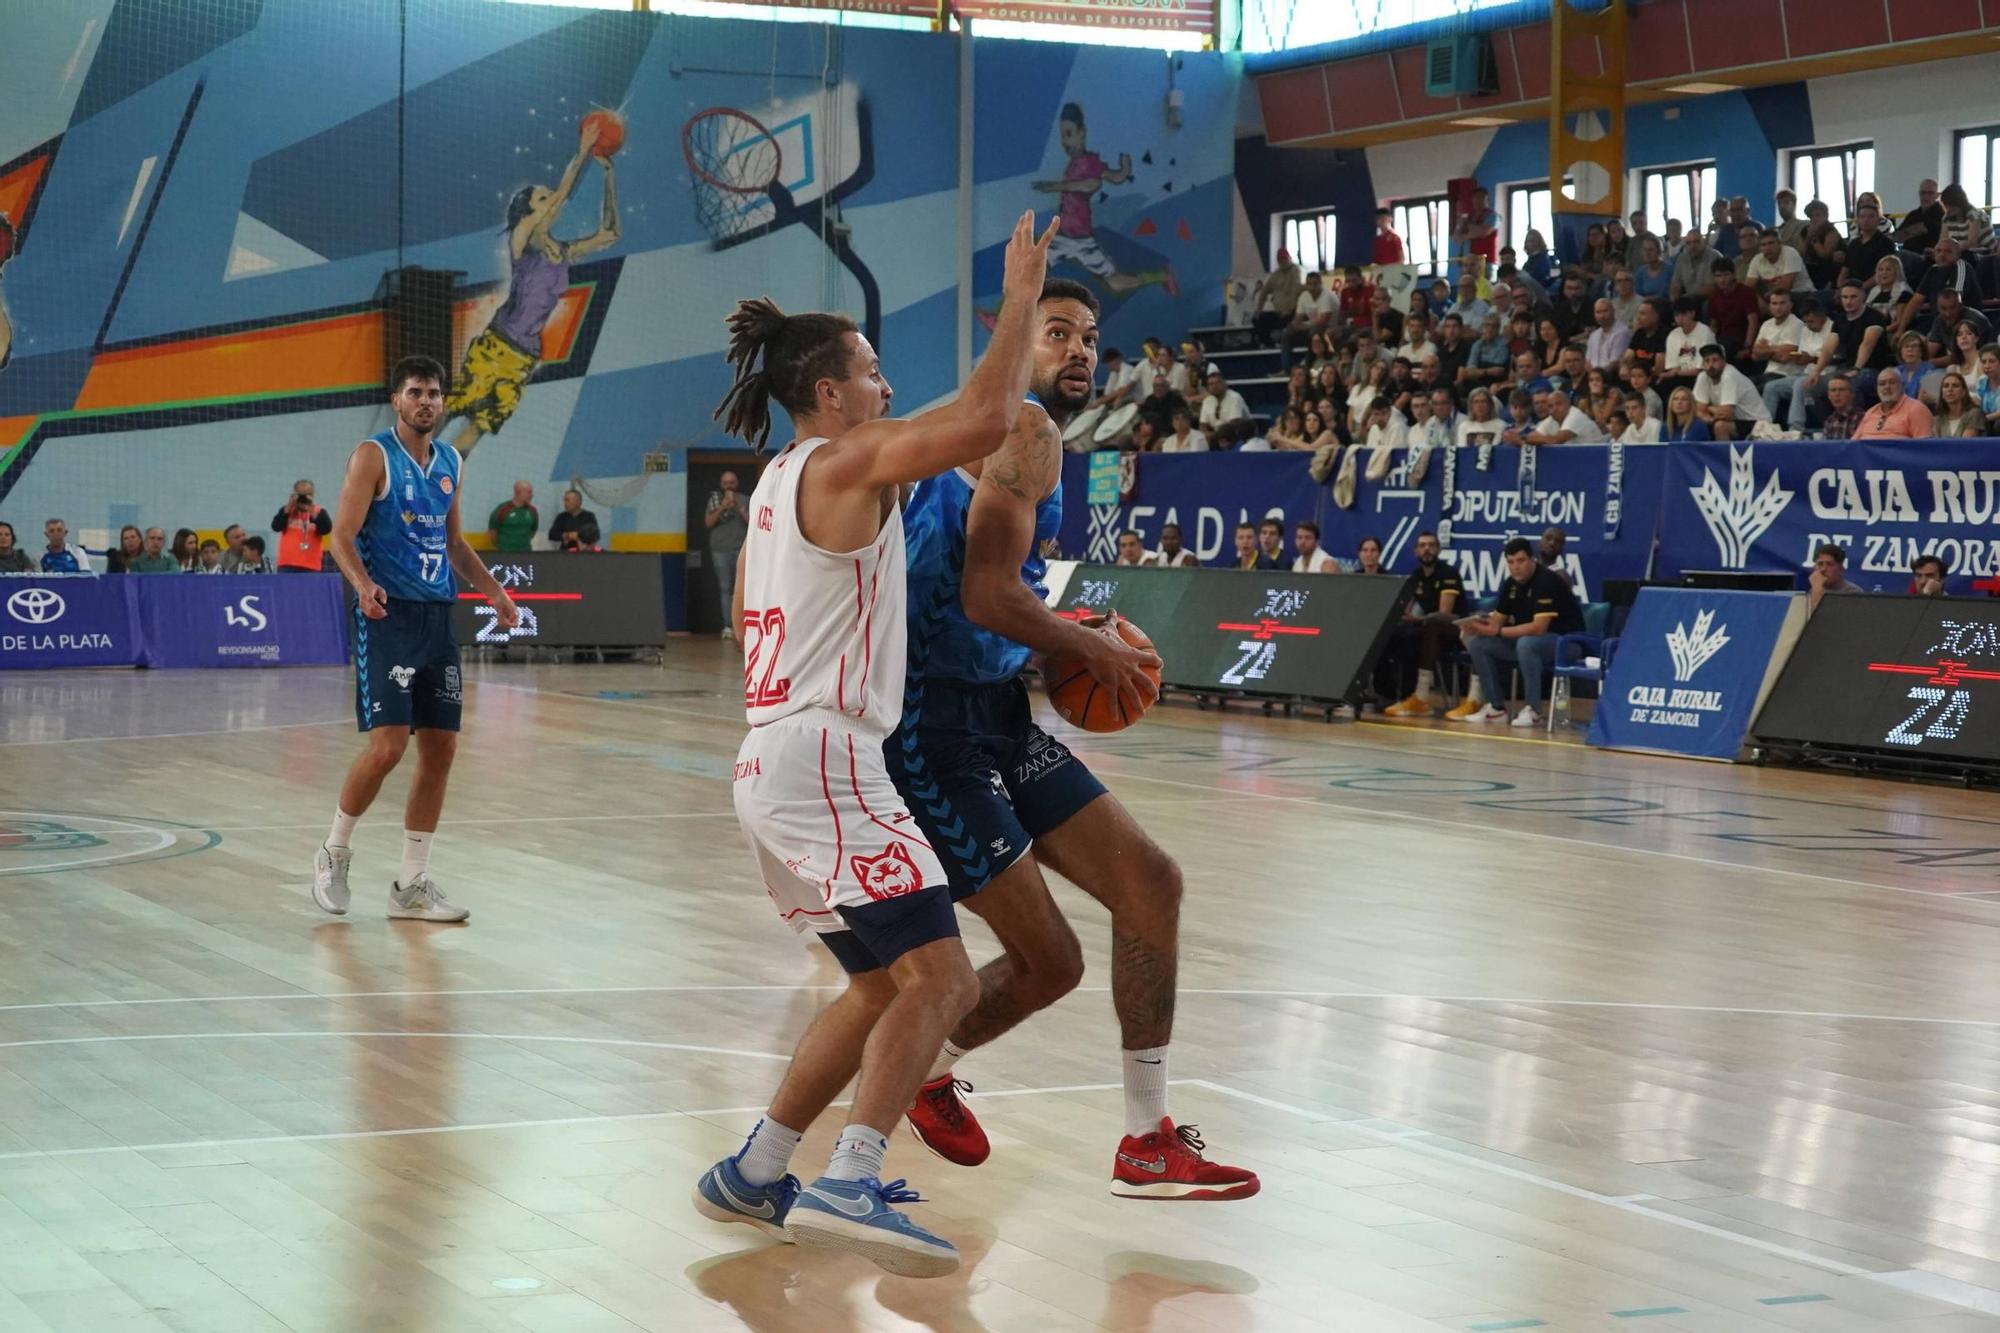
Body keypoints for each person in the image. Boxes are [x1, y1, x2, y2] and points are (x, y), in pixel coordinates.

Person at [692, 213, 1057, 1278]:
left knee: (872, 985)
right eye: (872, 370)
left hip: (771, 760)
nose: (887, 387)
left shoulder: (775, 481)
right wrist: (1019, 299)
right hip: (826, 757)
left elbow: (956, 423)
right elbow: (988, 415)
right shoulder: (843, 462)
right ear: (829, 394)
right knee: (940, 981)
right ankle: (852, 1177)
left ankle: (756, 1170)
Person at [886, 259, 1258, 1205]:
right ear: (1014, 335)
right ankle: (877, 1094)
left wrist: (1060, 638)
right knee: (1051, 961)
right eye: (1059, 332)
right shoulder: (1014, 427)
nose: (1081, 350)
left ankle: (1147, 1138)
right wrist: (1088, 650)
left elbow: (998, 596)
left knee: (1152, 882)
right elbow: (985, 591)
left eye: (1090, 337)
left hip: (1001, 712)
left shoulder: (1005, 426)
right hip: (929, 727)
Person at [313, 354, 518, 925]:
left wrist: (496, 595)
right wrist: (364, 585)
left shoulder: (451, 459)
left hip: (436, 620)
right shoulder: (373, 455)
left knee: (442, 749)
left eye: (433, 393)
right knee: (388, 748)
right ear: (396, 399)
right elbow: (340, 538)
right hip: (388, 618)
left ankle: (412, 881)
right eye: (414, 392)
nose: (425, 401)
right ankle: (334, 852)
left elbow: (455, 545)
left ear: (444, 402)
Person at [444, 120, 620, 457]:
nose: (551, 199)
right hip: (496, 344)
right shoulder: (523, 239)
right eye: (543, 197)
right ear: (529, 210)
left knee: (482, 423)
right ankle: (409, 464)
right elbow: (559, 203)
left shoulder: (563, 252)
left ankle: (440, 479)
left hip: (524, 356)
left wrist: (609, 175)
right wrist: (583, 150)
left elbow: (611, 234)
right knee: (455, 405)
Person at [1034, 104, 1173, 297]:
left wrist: (1124, 169)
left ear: (1082, 132)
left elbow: (1091, 184)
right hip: (1064, 236)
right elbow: (1108, 178)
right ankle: (1004, 318)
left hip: (1082, 240)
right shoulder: (1073, 164)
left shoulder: (1090, 162)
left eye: (1069, 133)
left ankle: (1160, 277)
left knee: (1116, 283)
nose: (1065, 141)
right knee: (1032, 266)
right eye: (1063, 136)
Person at [1457, 536, 1583, 728]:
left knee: (1526, 643)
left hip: (1568, 643)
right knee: (1479, 645)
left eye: (1521, 561)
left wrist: (1497, 631)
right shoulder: (1511, 584)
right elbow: (1497, 620)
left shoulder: (1547, 581)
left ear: (1532, 559)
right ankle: (1496, 708)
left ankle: (1534, 710)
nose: (1516, 567)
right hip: (1532, 641)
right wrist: (1477, 625)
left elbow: (1538, 628)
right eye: (1511, 562)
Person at [1383, 530, 1467, 718]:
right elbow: (1408, 606)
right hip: (1427, 628)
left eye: (1431, 545)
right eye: (1422, 546)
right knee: (1398, 634)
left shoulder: (1448, 573)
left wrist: (1417, 620)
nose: (1426, 549)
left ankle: (1421, 696)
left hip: (1456, 630)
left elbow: (1444, 613)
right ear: (1415, 551)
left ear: (1438, 549)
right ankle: (1394, 695)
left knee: (1432, 626)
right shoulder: (1416, 575)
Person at [1691, 344, 1770, 441]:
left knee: (1720, 426)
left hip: (1758, 423)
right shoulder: (1703, 377)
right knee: (1697, 424)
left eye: (1715, 360)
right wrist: (1710, 418)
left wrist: (1707, 408)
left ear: (1723, 361)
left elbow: (1727, 414)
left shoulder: (1729, 375)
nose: (1710, 365)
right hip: (1737, 422)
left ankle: (1724, 456)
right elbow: (1697, 410)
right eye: (1707, 361)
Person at [705, 471, 748, 639]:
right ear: (721, 484)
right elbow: (708, 523)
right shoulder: (715, 500)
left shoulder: (745, 499)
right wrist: (723, 507)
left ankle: (743, 626)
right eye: (725, 483)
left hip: (741, 549)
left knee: (741, 589)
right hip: (720, 550)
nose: (728, 486)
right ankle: (728, 626)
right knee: (725, 588)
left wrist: (737, 506)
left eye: (732, 482)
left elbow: (753, 522)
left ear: (736, 483)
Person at [1853, 366, 1935, 439]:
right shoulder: (1870, 412)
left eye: (1892, 382)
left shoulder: (1916, 409)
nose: (1887, 387)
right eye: (1882, 384)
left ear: (1902, 385)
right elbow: (1853, 444)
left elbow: (1924, 448)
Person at [273, 479, 331, 573]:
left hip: (311, 566)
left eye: (308, 495)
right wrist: (288, 507)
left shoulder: (319, 511)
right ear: (294, 495)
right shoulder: (287, 511)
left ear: (313, 495)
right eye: (301, 495)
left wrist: (311, 511)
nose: (304, 499)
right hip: (287, 564)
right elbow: (276, 527)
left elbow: (326, 530)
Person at [487, 482, 538, 553]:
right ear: (518, 492)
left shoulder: (532, 511)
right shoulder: (502, 509)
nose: (531, 495)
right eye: (529, 492)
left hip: (526, 553)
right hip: (505, 553)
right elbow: (493, 532)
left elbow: (533, 531)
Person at [1809, 542, 1860, 609]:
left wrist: (1817, 588)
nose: (1823, 569)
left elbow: (1823, 616)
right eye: (1820, 564)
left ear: (1841, 568)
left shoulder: (1853, 593)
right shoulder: (1813, 591)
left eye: (1829, 564)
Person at [1933, 371, 1983, 438]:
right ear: (1942, 394)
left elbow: (1964, 444)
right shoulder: (1938, 419)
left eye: (1955, 386)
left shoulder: (1974, 414)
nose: (1950, 389)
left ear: (1963, 392)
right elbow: (1936, 444)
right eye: (1946, 386)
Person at [1818, 373, 1863, 440]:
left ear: (1852, 394)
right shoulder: (1829, 421)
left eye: (1841, 390)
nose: (1837, 394)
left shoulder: (1862, 418)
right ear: (1829, 396)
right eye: (1833, 390)